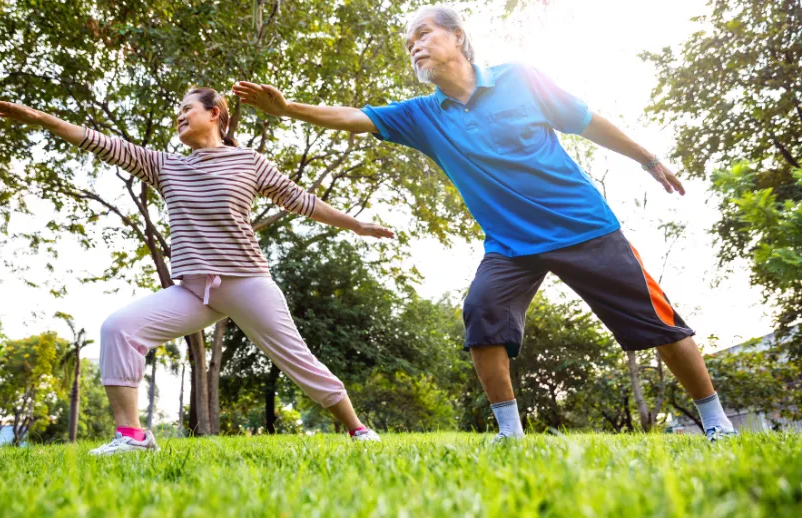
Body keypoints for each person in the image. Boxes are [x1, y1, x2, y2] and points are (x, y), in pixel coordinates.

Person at [233, 6, 738, 443]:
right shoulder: (422, 116)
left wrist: (648, 159)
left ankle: (717, 421)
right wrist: (288, 109)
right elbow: (354, 116)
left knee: (659, 323)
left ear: (458, 38)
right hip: (511, 246)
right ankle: (510, 433)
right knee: (481, 311)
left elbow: (589, 121)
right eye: (409, 44)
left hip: (584, 227)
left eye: (424, 35)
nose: (415, 48)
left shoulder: (521, 77)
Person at [0, 86, 390, 454]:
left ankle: (358, 430)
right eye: (176, 112)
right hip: (196, 290)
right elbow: (99, 143)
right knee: (119, 329)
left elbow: (300, 200)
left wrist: (356, 224)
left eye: (186, 109)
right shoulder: (165, 166)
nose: (178, 116)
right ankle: (132, 438)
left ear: (215, 114)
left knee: (297, 361)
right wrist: (42, 119)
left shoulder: (247, 161)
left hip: (247, 281)